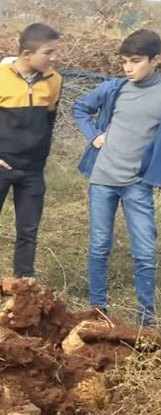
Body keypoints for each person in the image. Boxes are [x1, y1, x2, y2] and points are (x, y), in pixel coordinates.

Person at [71, 29, 161, 325]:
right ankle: (98, 309)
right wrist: (94, 135)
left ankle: (145, 319)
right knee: (99, 245)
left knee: (145, 251)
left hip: (137, 183)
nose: (127, 68)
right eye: (124, 61)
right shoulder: (114, 88)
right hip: (102, 179)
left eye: (135, 61)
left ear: (156, 60)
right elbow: (80, 108)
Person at [0, 23, 63, 279]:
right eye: (49, 52)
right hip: (0, 167)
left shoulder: (54, 80)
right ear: (27, 54)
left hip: (33, 170)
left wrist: (40, 155)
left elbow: (49, 121)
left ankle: (24, 279)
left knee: (28, 230)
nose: (54, 58)